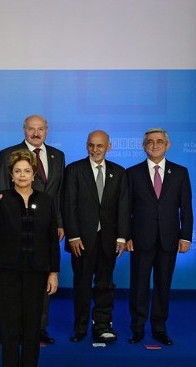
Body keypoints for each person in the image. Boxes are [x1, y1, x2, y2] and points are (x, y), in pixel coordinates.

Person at [0, 149, 60, 367]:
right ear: (11, 174)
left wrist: (53, 272)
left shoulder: (46, 200)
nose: (22, 175)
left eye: (27, 171)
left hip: (37, 272)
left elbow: (52, 240)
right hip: (7, 272)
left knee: (32, 328)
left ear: (34, 173)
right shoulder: (1, 198)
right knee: (9, 327)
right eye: (17, 171)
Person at [0, 114, 65, 344]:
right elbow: (1, 192)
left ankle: (38, 328)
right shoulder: (8, 154)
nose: (36, 133)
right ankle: (15, 329)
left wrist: (59, 222)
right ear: (24, 130)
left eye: (40, 129)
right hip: (16, 230)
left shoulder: (57, 155)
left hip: (44, 227)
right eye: (31, 129)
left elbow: (58, 194)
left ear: (46, 130)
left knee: (41, 277)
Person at [126, 128, 192, 346]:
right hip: (140, 239)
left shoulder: (180, 172)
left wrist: (186, 237)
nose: (155, 145)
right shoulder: (132, 173)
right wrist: (126, 236)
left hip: (169, 239)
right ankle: (137, 328)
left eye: (159, 141)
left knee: (163, 285)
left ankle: (159, 328)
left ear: (167, 145)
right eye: (150, 142)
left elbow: (186, 208)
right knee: (139, 286)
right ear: (144, 146)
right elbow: (125, 209)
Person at [63, 130, 130, 343]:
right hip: (81, 241)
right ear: (86, 146)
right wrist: (73, 236)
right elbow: (68, 205)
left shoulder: (119, 172)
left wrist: (122, 237)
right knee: (81, 285)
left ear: (108, 147)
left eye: (100, 145)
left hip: (109, 241)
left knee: (105, 285)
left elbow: (123, 206)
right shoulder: (74, 170)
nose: (95, 149)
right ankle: (80, 328)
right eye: (91, 145)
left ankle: (102, 325)